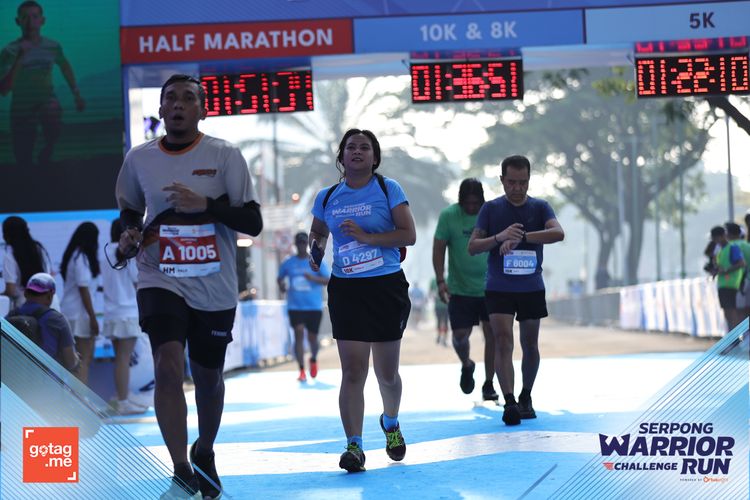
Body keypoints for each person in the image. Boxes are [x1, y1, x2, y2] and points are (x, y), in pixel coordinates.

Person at [114, 74, 262, 499]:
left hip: (214, 284)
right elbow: (129, 209)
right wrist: (128, 232)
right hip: (159, 275)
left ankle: (204, 449)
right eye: (171, 99)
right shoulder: (139, 159)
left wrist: (207, 206)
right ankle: (180, 468)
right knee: (167, 363)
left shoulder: (225, 155)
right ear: (160, 109)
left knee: (208, 378)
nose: (178, 105)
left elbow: (253, 222)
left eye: (188, 98)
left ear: (203, 109)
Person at [308, 128, 416, 473]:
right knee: (353, 371)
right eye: (351, 147)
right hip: (347, 289)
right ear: (341, 156)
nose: (357, 152)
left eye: (364, 147)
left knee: (387, 374)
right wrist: (315, 250)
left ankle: (391, 422)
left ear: (374, 157)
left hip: (385, 286)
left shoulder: (388, 189)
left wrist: (368, 238)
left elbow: (408, 235)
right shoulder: (327, 196)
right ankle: (354, 446)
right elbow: (318, 231)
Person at [468, 155, 564, 426]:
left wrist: (523, 237)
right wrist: (499, 237)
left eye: (523, 182)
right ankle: (509, 401)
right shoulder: (491, 209)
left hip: (531, 287)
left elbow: (558, 233)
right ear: (502, 180)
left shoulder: (540, 207)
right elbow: (473, 247)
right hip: (499, 287)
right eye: (511, 182)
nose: (517, 188)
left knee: (530, 344)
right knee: (502, 340)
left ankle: (526, 395)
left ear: (529, 180)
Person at [433, 178, 498, 402]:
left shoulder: (491, 214)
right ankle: (467, 363)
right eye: (467, 203)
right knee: (460, 337)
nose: (471, 207)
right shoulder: (449, 216)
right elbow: (438, 248)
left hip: (491, 287)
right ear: (460, 201)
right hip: (460, 288)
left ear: (482, 201)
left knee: (493, 336)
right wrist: (440, 280)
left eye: (475, 203)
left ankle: (489, 383)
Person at [0, 1, 85, 166]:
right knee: (23, 158)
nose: (30, 21)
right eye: (25, 17)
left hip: (46, 101)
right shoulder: (9, 51)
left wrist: (77, 94)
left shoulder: (52, 46)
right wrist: (20, 58)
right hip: (21, 106)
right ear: (18, 21)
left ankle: (47, 152)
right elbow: (4, 89)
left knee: (52, 112)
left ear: (42, 20)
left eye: (34, 16)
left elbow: (65, 66)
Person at [101, 218, 148, 415]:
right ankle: (122, 401)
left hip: (112, 313)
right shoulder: (129, 254)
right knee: (123, 358)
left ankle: (122, 396)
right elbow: (138, 282)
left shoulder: (105, 253)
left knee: (120, 358)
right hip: (127, 313)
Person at [277, 231, 330, 382]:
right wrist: (282, 286)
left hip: (313, 306)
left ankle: (313, 359)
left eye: (303, 243)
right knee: (298, 334)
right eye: (298, 243)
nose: (301, 246)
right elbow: (280, 278)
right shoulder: (288, 262)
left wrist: (312, 278)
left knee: (312, 338)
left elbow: (328, 280)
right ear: (295, 244)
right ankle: (301, 370)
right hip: (295, 306)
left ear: (307, 244)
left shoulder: (315, 260)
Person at [6, 272, 79, 373]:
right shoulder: (58, 320)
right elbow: (70, 362)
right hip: (47, 381)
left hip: (14, 379)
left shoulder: (10, 316)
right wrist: (77, 360)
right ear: (50, 296)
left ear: (25, 293)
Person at [59, 221, 100, 386]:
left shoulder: (73, 256)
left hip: (70, 312)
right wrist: (93, 318)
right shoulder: (81, 258)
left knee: (75, 361)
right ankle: (81, 398)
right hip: (80, 315)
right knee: (83, 359)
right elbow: (84, 290)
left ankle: (75, 397)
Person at [2, 215, 53, 308]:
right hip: (48, 302)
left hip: (25, 306)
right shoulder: (39, 249)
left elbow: (10, 290)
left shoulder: (10, 255)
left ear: (6, 234)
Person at [715, 222, 748, 331]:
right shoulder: (746, 245)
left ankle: (738, 338)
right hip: (736, 283)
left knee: (736, 313)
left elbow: (741, 263)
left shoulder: (731, 247)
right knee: (738, 313)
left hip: (736, 284)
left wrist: (725, 270)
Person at [429, 277, 448, 346]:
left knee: (445, 323)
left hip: (446, 306)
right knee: (439, 322)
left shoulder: (447, 280)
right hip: (438, 306)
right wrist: (434, 295)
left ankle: (444, 339)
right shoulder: (433, 281)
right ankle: (439, 336)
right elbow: (430, 293)